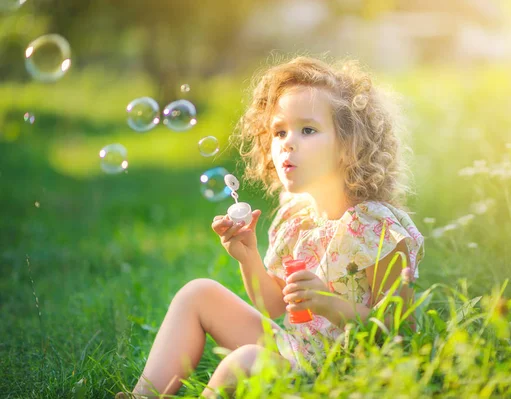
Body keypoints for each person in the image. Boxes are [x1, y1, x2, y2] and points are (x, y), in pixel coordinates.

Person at [116, 55, 425, 398]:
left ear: (348, 145)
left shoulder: (376, 230)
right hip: (299, 356)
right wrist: (248, 257)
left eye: (307, 129)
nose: (287, 143)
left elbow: (400, 333)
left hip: (345, 379)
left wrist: (330, 304)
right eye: (279, 131)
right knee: (197, 293)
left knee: (245, 359)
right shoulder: (296, 217)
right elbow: (276, 305)